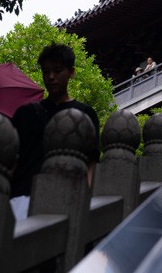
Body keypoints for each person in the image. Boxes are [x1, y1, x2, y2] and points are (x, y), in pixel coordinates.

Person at [10, 43, 100, 220]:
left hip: (66, 200)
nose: (51, 77)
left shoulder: (85, 114)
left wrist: (87, 200)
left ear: (71, 72)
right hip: (20, 200)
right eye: (46, 71)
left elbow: (91, 163)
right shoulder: (25, 114)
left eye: (57, 71)